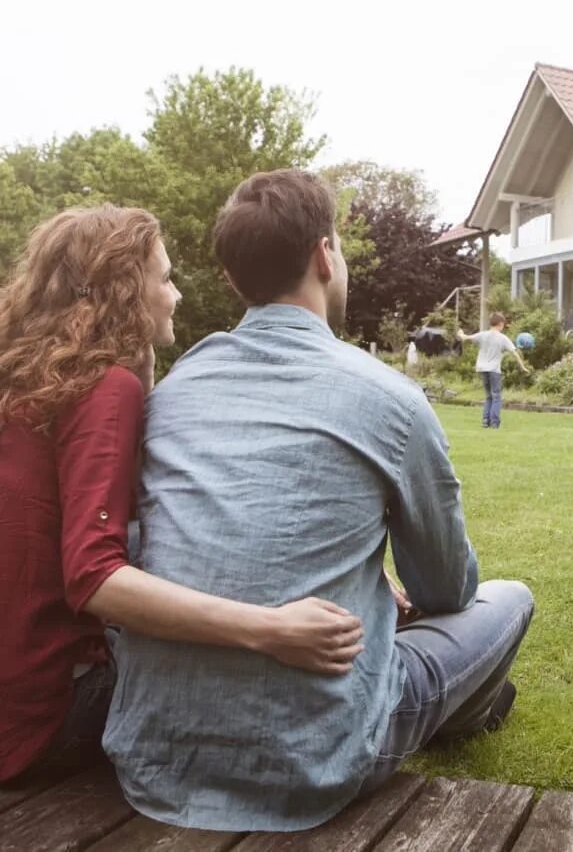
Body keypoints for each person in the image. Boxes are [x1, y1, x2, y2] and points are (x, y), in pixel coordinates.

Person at [104, 170, 534, 832]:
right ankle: (472, 707)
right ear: (324, 254)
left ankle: (469, 697)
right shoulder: (390, 398)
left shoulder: (176, 389)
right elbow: (446, 588)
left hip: (154, 757)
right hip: (318, 758)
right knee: (508, 599)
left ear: (229, 278)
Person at [0, 206, 364, 785]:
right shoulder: (103, 388)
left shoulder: (31, 379)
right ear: (125, 291)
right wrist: (270, 629)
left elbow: (137, 509)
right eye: (165, 278)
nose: (177, 295)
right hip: (45, 717)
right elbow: (95, 577)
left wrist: (142, 376)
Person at [457, 313, 531, 429]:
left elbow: (465, 338)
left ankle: (485, 421)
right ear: (500, 324)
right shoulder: (503, 338)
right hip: (494, 370)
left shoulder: (482, 335)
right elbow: (515, 353)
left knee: (488, 396)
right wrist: (523, 367)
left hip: (482, 369)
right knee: (496, 396)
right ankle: (495, 423)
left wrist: (460, 333)